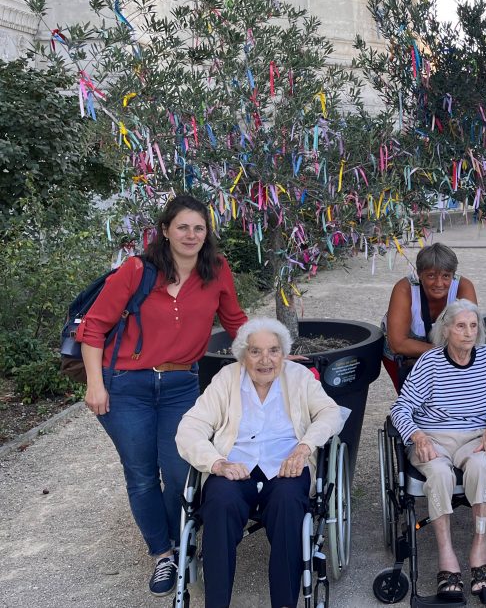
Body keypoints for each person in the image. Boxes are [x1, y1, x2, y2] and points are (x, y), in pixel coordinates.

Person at [76, 194, 247, 597]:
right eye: (183, 227)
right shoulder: (137, 270)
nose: (191, 235)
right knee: (140, 474)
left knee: (180, 470)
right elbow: (94, 328)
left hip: (180, 385)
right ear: (166, 230)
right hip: (125, 386)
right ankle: (164, 553)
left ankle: (182, 538)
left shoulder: (217, 270)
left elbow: (237, 322)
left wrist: (272, 353)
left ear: (208, 233)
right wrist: (94, 384)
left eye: (199, 228)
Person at [174, 318, 345, 608]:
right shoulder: (227, 379)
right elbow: (189, 428)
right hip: (234, 468)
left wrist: (304, 447)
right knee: (218, 503)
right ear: (243, 354)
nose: (265, 360)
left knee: (289, 503)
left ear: (284, 353)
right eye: (255, 352)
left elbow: (331, 414)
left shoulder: (299, 377)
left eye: (274, 351)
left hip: (286, 465)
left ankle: (284, 603)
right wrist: (217, 463)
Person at [390, 300, 486, 599]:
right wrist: (418, 437)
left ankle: (480, 543)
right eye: (461, 326)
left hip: (477, 433)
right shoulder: (430, 363)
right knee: (438, 473)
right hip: (434, 435)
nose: (468, 333)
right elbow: (401, 408)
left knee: (481, 465)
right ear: (446, 330)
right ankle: (446, 554)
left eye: (473, 326)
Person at [382, 243, 478, 389]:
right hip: (404, 357)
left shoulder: (463, 287)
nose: (439, 283)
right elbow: (398, 344)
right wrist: (446, 351)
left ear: (453, 275)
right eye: (431, 275)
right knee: (412, 399)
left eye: (446, 276)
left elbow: (470, 334)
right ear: (419, 274)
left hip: (449, 354)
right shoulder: (404, 289)